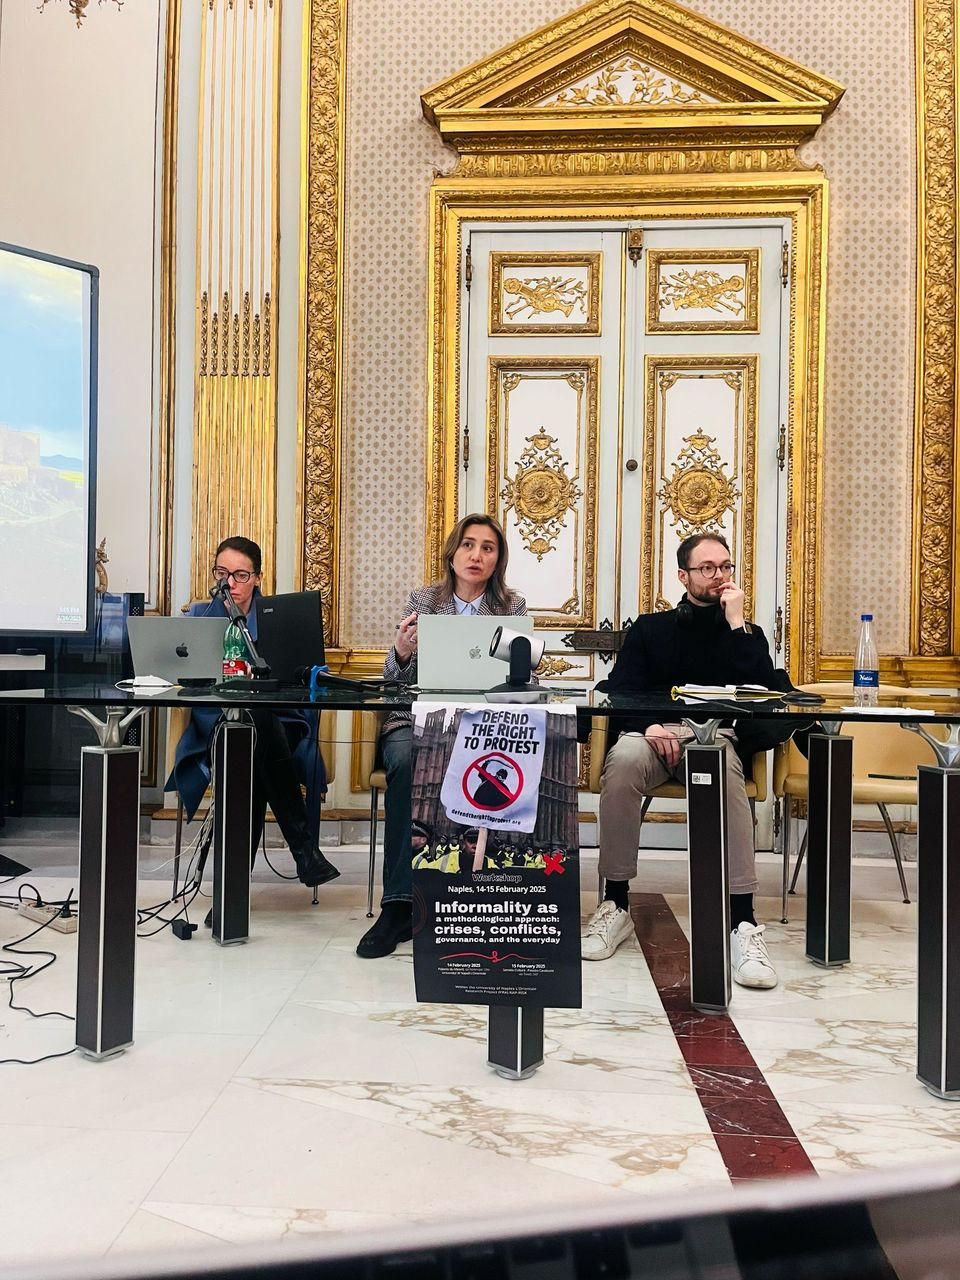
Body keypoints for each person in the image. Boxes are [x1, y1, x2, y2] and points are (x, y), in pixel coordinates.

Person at [581, 531, 779, 989]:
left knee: (719, 765)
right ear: (683, 576)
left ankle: (742, 920)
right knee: (623, 760)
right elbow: (620, 690)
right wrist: (649, 725)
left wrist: (737, 622)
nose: (718, 575)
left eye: (725, 566)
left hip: (714, 738)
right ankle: (615, 902)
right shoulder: (650, 629)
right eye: (707, 568)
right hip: (653, 736)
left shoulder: (746, 634)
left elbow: (763, 693)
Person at [356, 513, 527, 958]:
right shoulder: (424, 600)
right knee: (404, 759)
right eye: (468, 545)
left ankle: (484, 899)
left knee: (507, 764)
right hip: (418, 719)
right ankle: (398, 906)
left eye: (487, 548)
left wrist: (523, 664)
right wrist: (402, 650)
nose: (476, 555)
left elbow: (522, 680)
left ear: (497, 560)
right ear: (452, 554)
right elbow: (394, 678)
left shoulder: (511, 606)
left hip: (483, 724)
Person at [166, 536, 339, 893]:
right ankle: (304, 851)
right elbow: (181, 678)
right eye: (222, 573)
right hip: (217, 725)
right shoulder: (198, 616)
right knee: (252, 738)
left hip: (282, 723)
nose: (229, 583)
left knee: (255, 732)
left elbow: (301, 677)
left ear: (258, 577)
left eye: (240, 575)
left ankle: (230, 896)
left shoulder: (280, 617)